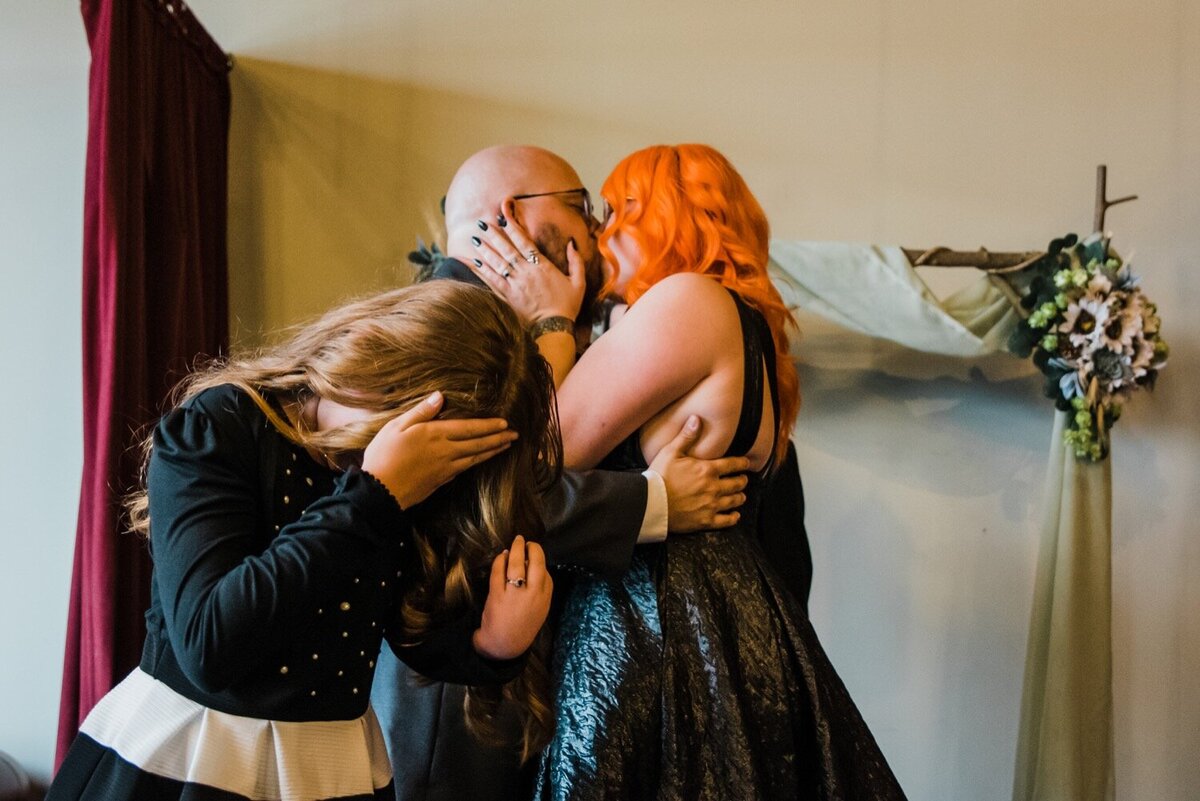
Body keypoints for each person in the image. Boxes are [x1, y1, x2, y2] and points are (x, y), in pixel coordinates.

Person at [472, 144, 907, 799]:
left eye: (618, 211)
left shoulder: (686, 300)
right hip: (720, 615)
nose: (601, 233)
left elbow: (542, 454)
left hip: (656, 620)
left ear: (668, 219)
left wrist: (551, 323)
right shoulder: (736, 317)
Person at [48, 281, 561, 801]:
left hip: (330, 768)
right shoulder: (222, 426)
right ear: (373, 350)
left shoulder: (405, 482)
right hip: (189, 758)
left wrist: (489, 646)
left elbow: (400, 625)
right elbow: (210, 646)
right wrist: (375, 497)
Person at [373, 145, 755, 801]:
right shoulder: (445, 319)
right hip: (454, 694)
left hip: (513, 674)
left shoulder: (503, 314)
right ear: (510, 215)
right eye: (581, 208)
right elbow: (482, 500)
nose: (595, 231)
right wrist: (654, 502)